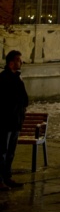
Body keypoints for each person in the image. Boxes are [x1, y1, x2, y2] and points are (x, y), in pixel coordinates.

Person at [0, 50, 29, 190]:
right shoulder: (4, 78)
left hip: (15, 121)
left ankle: (7, 177)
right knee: (2, 152)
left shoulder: (17, 77)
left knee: (10, 152)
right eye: (18, 60)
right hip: (5, 122)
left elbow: (24, 99)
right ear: (11, 62)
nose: (21, 62)